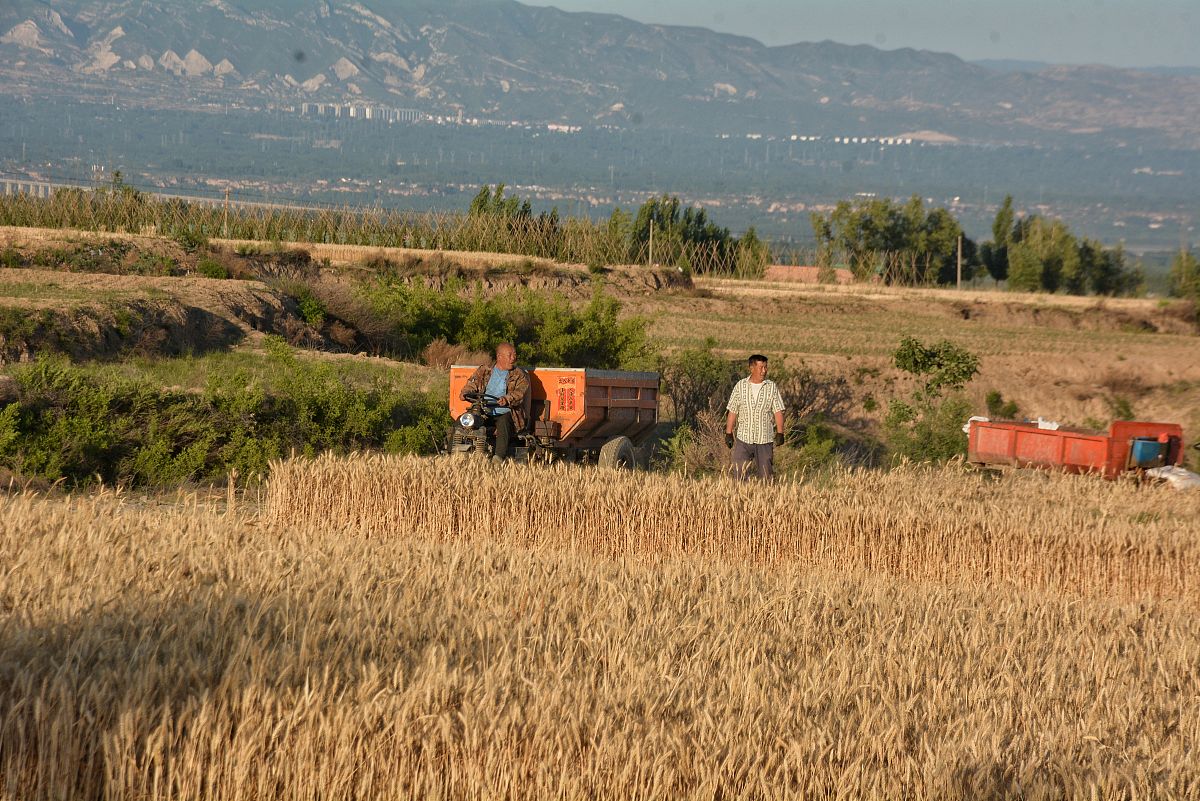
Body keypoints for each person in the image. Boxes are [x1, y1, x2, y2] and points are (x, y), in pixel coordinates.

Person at [460, 342, 530, 462]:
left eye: (514, 355)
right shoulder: (484, 370)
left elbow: (520, 393)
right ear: (499, 356)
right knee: (463, 421)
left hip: (505, 411)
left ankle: (498, 458)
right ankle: (452, 453)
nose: (513, 358)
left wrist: (507, 399)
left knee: (504, 423)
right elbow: (472, 383)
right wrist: (465, 393)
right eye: (510, 355)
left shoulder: (519, 375)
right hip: (483, 409)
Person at [724, 354, 786, 480]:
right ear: (751, 368)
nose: (764, 371)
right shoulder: (740, 386)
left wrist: (780, 433)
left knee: (766, 476)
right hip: (743, 438)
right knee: (739, 473)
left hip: (764, 439)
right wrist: (728, 433)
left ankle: (765, 497)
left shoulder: (771, 387)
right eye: (761, 367)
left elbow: (778, 411)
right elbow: (732, 411)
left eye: (765, 367)